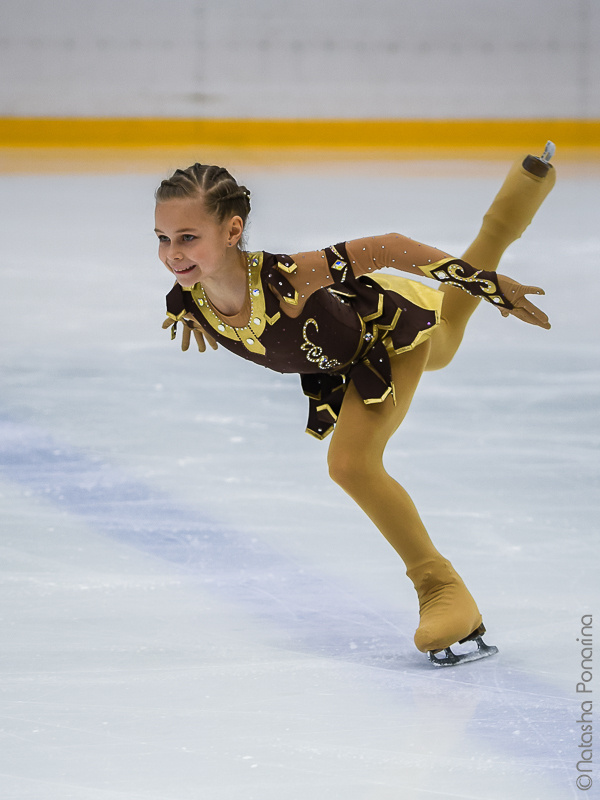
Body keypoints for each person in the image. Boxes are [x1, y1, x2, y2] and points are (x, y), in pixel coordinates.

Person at [155, 147, 555, 666]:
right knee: (453, 328)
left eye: (188, 238)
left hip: (386, 337)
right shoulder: (192, 294)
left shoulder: (286, 280)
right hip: (345, 344)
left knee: (352, 462)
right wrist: (189, 312)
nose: (172, 253)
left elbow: (387, 247)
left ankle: (441, 589)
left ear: (233, 232)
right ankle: (522, 192)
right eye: (163, 239)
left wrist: (489, 286)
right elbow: (190, 293)